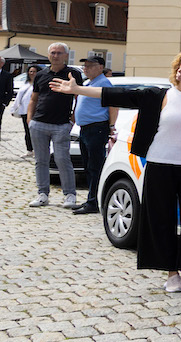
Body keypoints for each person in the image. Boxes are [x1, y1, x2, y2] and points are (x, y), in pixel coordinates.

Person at [51, 49, 181, 292]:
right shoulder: (158, 95)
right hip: (160, 166)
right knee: (162, 220)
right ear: (177, 69)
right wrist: (77, 90)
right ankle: (171, 273)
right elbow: (117, 95)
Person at [27, 42, 82, 208]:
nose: (55, 56)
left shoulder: (73, 74)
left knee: (62, 159)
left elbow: (79, 98)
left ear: (65, 55)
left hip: (61, 125)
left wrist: (72, 120)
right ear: (48, 54)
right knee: (40, 160)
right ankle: (42, 194)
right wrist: (30, 119)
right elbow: (34, 98)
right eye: (53, 53)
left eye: (59, 53)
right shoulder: (41, 74)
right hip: (39, 123)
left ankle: (70, 195)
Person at [71, 55, 116, 215]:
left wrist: (112, 126)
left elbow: (112, 106)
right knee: (88, 166)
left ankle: (93, 202)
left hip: (96, 128)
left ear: (100, 67)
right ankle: (91, 199)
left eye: (90, 66)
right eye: (85, 66)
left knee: (94, 166)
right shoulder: (90, 83)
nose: (86, 68)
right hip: (85, 129)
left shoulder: (104, 84)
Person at [11, 65, 39, 156]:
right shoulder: (25, 84)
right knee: (27, 131)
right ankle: (29, 150)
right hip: (24, 110)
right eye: (30, 71)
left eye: (34, 71)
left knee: (35, 132)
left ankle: (36, 150)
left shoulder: (39, 84)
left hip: (36, 111)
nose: (32, 73)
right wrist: (13, 108)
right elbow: (19, 97)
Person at [0, 57, 13, 140]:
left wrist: (5, 102)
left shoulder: (7, 75)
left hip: (0, 102)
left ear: (2, 63)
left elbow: (10, 90)